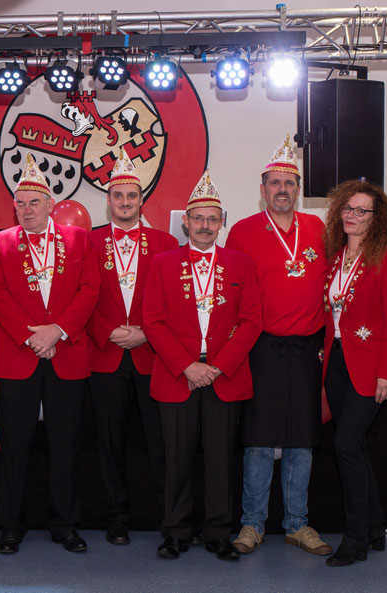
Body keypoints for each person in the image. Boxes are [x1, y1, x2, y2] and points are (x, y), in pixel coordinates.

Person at [143, 170, 261, 562]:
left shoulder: (241, 264)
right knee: (176, 458)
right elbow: (153, 322)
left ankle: (217, 532)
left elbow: (251, 321)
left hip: (224, 376)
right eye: (199, 218)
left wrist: (219, 366)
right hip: (178, 377)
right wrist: (187, 366)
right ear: (185, 222)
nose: (206, 225)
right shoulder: (161, 264)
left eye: (213, 218)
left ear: (222, 222)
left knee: (220, 458)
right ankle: (175, 531)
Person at [0, 153, 99, 554]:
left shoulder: (80, 239)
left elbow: (90, 289)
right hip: (20, 356)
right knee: (15, 445)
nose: (27, 209)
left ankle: (65, 524)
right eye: (20, 203)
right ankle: (11, 526)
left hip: (66, 354)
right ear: (13, 207)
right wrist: (32, 337)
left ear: (50, 204)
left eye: (35, 202)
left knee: (66, 444)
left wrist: (57, 331)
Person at [226, 134, 332, 556]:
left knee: (301, 439)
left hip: (307, 349)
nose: (282, 190)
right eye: (274, 183)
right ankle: (251, 524)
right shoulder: (243, 231)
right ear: (262, 188)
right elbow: (231, 293)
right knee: (258, 439)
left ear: (298, 189)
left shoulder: (319, 228)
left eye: (289, 184)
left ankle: (297, 523)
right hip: (261, 349)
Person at [87, 149, 178, 545]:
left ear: (142, 199)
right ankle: (116, 519)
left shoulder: (166, 241)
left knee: (160, 443)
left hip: (151, 355)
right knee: (109, 445)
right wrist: (107, 330)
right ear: (108, 200)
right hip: (104, 355)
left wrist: (146, 332)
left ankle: (168, 519)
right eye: (118, 196)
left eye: (131, 196)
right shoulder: (88, 242)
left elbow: (178, 300)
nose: (125, 203)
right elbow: (78, 295)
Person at [320, 179, 387, 566]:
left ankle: (355, 539)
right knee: (352, 447)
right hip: (337, 363)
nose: (352, 216)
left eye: (361, 211)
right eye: (347, 209)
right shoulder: (336, 256)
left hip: (371, 367)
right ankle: (374, 527)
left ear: (377, 219)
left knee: (345, 447)